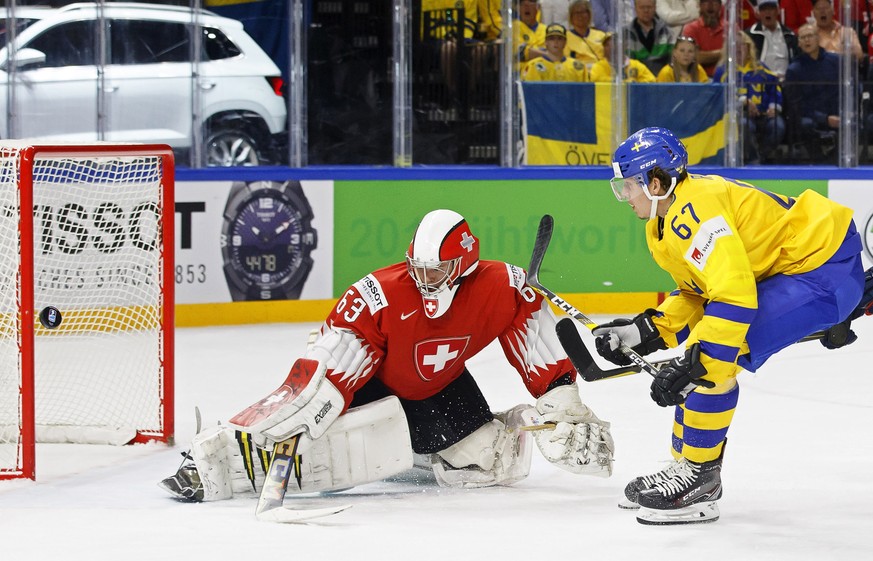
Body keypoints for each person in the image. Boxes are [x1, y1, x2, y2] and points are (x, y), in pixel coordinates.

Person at [160, 209, 614, 502]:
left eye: (435, 269)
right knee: (324, 435)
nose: (424, 278)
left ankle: (416, 454)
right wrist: (298, 413)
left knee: (491, 459)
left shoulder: (503, 287)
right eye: (417, 267)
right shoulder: (378, 295)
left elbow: (534, 336)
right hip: (372, 384)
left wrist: (562, 404)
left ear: (463, 264)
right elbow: (323, 372)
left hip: (439, 390)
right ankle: (215, 458)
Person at [595, 126, 865, 525]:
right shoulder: (664, 220)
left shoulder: (696, 213)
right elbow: (699, 293)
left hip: (823, 270)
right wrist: (640, 332)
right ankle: (686, 466)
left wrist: (696, 361)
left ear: (655, 182)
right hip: (792, 267)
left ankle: (700, 480)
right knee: (704, 354)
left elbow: (734, 296)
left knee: (715, 359)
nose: (624, 196)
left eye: (627, 187)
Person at [712, 33, 786, 163]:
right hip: (738, 115)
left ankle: (761, 157)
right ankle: (753, 159)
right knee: (745, 125)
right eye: (735, 46)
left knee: (778, 126)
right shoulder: (722, 71)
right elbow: (718, 97)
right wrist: (742, 103)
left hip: (764, 114)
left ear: (749, 48)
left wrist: (773, 107)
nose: (739, 49)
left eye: (742, 45)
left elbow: (775, 88)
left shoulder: (761, 69)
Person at [784, 23, 840, 161]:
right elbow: (795, 104)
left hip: (837, 114)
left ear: (818, 38)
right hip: (811, 118)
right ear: (799, 43)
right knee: (805, 124)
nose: (807, 40)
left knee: (851, 122)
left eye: (810, 36)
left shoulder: (837, 61)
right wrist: (824, 118)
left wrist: (841, 114)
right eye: (803, 38)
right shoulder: (794, 69)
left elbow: (846, 91)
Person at [745, 0, 800, 80]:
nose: (767, 12)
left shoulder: (790, 35)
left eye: (771, 9)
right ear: (758, 13)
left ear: (778, 11)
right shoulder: (750, 35)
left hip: (786, 84)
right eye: (763, 9)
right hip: (761, 84)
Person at [523, 23, 591, 80]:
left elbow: (586, 92)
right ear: (546, 42)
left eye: (560, 39)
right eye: (551, 39)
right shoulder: (533, 66)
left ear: (565, 42)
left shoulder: (579, 67)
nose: (556, 42)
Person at [626, 0, 675, 75]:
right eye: (642, 7)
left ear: (655, 8)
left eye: (649, 7)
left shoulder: (667, 32)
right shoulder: (625, 33)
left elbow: (672, 62)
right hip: (636, 80)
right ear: (635, 9)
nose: (646, 10)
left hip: (661, 81)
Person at [680, 0, 726, 77]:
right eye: (706, 2)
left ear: (720, 6)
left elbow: (738, 56)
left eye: (714, 2)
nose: (710, 6)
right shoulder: (690, 29)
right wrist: (722, 53)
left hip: (725, 80)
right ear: (700, 6)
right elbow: (692, 57)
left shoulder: (730, 28)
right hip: (699, 81)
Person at [591, 31, 657, 81]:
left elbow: (651, 82)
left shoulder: (636, 65)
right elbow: (600, 82)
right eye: (606, 44)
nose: (611, 46)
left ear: (625, 45)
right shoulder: (598, 67)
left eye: (615, 42)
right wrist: (630, 82)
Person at [566, 0, 608, 69]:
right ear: (571, 17)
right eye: (576, 13)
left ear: (589, 14)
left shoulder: (602, 35)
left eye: (583, 12)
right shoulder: (565, 37)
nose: (580, 16)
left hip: (599, 73)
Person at [515, 0, 548, 67]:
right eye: (522, 4)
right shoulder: (513, 28)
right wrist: (547, 54)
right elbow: (519, 53)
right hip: (521, 74)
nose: (526, 7)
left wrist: (532, 51)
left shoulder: (546, 29)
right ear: (518, 9)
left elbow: (556, 51)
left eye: (530, 4)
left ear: (537, 8)